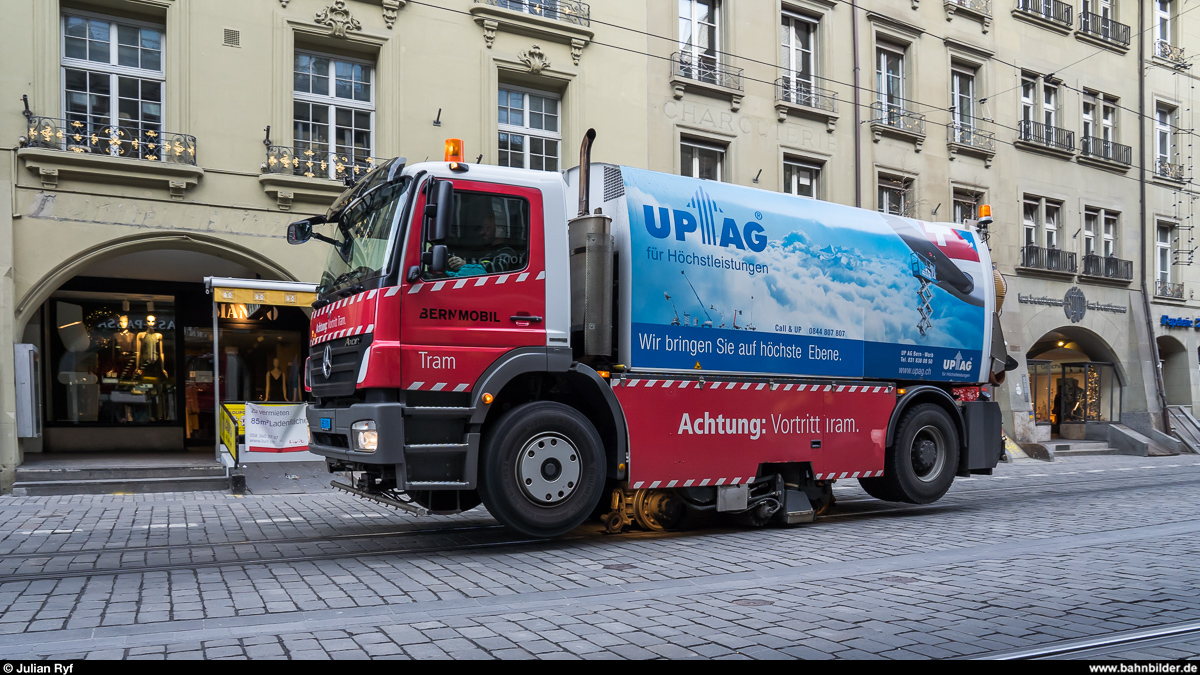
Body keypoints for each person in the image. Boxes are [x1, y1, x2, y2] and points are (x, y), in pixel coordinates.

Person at [446, 211, 524, 277]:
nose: (482, 232)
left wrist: (466, 265)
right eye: (482, 228)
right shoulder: (487, 251)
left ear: (499, 230)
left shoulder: (507, 252)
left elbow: (494, 269)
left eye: (487, 227)